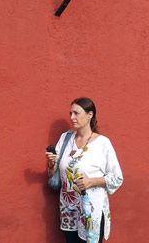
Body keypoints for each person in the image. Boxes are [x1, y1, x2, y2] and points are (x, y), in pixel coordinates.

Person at [46, 98, 123, 243]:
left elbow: (117, 177)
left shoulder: (102, 143)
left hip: (90, 211)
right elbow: (53, 175)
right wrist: (51, 165)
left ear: (89, 115)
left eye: (76, 113)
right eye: (70, 113)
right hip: (69, 210)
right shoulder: (65, 139)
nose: (72, 117)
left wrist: (92, 182)